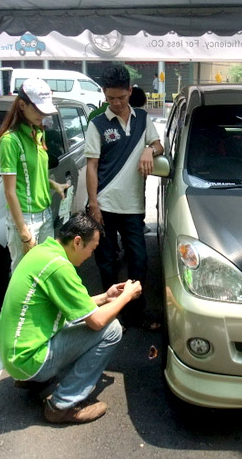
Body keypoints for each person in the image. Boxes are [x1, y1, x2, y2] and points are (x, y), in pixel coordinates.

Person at [0, 211, 142, 424]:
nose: (91, 255)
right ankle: (61, 405)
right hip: (27, 360)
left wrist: (106, 296)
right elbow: (97, 322)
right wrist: (127, 297)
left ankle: (34, 381)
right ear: (77, 242)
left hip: (14, 355)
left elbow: (77, 307)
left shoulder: (44, 252)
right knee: (112, 330)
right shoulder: (59, 267)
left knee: (73, 319)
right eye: (92, 248)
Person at [84, 65, 163, 327]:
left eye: (121, 97)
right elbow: (92, 167)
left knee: (139, 260)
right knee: (106, 264)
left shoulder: (142, 119)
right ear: (104, 95)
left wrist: (149, 150)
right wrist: (93, 204)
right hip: (104, 205)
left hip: (133, 207)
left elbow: (159, 144)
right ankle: (112, 314)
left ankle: (135, 312)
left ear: (130, 91)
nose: (116, 103)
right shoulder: (97, 125)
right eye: (110, 98)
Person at [0, 78, 69, 272]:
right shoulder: (9, 141)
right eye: (38, 109)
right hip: (26, 220)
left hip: (44, 214)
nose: (42, 114)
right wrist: (25, 234)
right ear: (22, 105)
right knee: (23, 275)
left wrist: (53, 185)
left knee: (44, 271)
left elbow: (32, 174)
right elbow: (10, 192)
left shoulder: (37, 132)